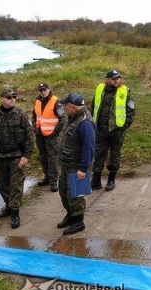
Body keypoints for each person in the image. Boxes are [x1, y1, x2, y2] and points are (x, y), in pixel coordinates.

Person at [0, 88, 34, 229]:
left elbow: (30, 136)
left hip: (16, 156)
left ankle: (15, 212)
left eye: (14, 97)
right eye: (9, 97)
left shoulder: (21, 114)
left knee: (16, 184)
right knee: (3, 185)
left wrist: (26, 156)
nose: (12, 99)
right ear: (2, 98)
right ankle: (8, 207)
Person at [57, 93, 96, 235]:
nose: (64, 108)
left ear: (73, 107)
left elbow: (89, 148)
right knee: (64, 192)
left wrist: (83, 169)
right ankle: (70, 215)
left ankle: (78, 222)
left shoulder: (85, 123)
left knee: (75, 196)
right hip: (66, 164)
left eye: (66, 106)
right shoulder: (72, 117)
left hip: (77, 167)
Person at [90, 69, 135, 192]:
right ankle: (96, 180)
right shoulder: (100, 89)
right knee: (99, 155)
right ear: (108, 79)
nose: (116, 81)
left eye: (118, 78)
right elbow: (94, 106)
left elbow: (131, 112)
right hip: (101, 130)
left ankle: (111, 180)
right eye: (114, 78)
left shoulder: (125, 92)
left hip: (116, 131)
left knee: (114, 156)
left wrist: (123, 127)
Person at [32, 83, 66, 192]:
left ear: (49, 90)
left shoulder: (56, 102)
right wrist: (34, 127)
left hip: (52, 136)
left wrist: (55, 132)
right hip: (40, 134)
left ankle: (53, 181)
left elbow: (63, 119)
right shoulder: (37, 101)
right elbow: (34, 116)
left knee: (52, 158)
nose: (42, 92)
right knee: (43, 157)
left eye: (44, 89)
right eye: (40, 90)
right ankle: (47, 178)